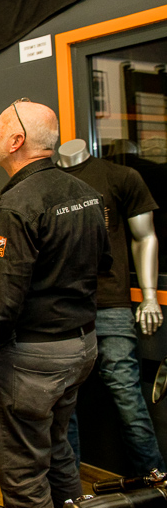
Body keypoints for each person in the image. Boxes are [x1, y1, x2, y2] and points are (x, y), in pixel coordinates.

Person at [0, 99, 111, 508]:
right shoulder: (87, 195)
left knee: (23, 472)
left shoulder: (16, 206)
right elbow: (102, 263)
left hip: (31, 359)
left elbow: (1, 289)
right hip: (79, 348)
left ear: (17, 141)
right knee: (56, 447)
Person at [57, 139, 165, 476]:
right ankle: (71, 491)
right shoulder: (46, 184)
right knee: (63, 405)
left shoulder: (119, 176)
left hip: (110, 305)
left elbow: (145, 236)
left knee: (127, 397)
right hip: (61, 310)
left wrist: (149, 295)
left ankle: (155, 482)